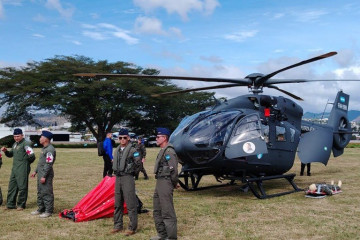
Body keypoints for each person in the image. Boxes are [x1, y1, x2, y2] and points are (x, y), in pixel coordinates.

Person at [111, 128, 141, 236]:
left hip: (128, 177)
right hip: (118, 178)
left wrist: (133, 174)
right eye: (120, 138)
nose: (122, 139)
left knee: (130, 203)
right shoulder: (117, 150)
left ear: (128, 138)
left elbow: (138, 164)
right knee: (117, 203)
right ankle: (117, 225)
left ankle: (132, 227)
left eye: (124, 137)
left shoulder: (133, 150)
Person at [151, 127, 179, 240]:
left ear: (165, 138)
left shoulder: (169, 151)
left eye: (158, 137)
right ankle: (162, 234)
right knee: (157, 209)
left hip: (166, 182)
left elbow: (174, 170)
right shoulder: (163, 150)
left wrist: (173, 183)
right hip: (160, 181)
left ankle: (171, 237)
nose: (156, 139)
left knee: (167, 210)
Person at [1, 128, 35, 210]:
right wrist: (6, 151)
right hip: (15, 168)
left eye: (18, 136)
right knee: (12, 186)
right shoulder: (15, 144)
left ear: (22, 135)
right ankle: (10, 204)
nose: (16, 138)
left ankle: (21, 205)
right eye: (15, 136)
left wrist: (25, 163)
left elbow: (32, 157)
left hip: (22, 168)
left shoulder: (26, 144)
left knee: (22, 187)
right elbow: (10, 155)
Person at [30, 130, 56, 218]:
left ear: (46, 139)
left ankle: (48, 211)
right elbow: (41, 163)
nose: (39, 139)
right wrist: (35, 171)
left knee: (46, 192)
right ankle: (41, 208)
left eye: (41, 137)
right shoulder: (44, 148)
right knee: (40, 192)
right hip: (41, 173)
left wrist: (44, 176)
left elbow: (48, 164)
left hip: (46, 174)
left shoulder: (50, 150)